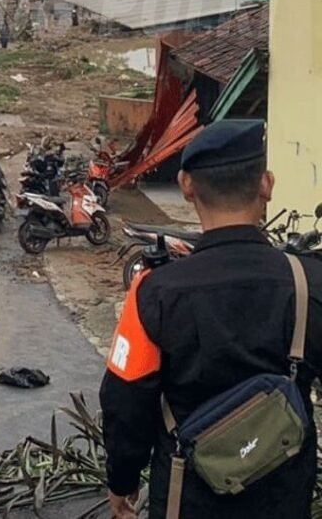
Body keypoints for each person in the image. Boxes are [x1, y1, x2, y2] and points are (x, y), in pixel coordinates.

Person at [100, 120, 322, 519]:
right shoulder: (310, 282)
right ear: (266, 185)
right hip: (286, 492)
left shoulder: (153, 292)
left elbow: (125, 401)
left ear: (186, 186)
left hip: (188, 495)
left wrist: (123, 481)